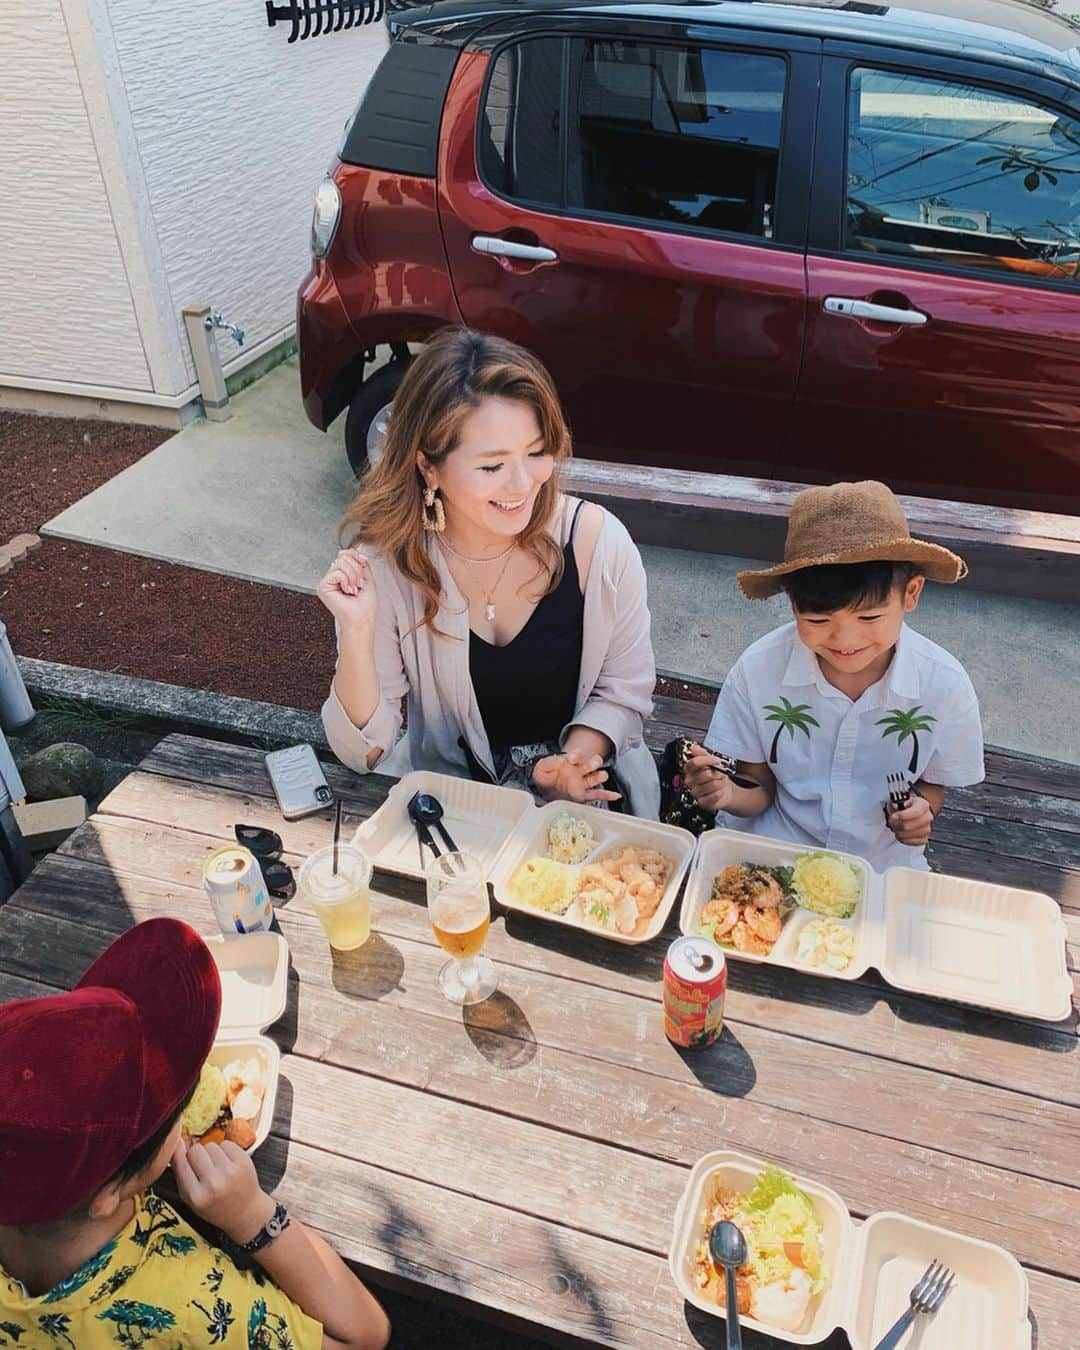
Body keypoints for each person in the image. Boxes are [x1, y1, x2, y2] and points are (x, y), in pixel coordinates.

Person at [0, 917, 390, 1350]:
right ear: (105, 1195)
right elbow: (364, 1336)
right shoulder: (191, 1310)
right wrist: (252, 1216)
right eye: (174, 1107)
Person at [318, 328, 659, 817]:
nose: (524, 484)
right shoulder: (390, 567)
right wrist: (356, 632)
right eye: (492, 466)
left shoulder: (599, 546)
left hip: (591, 807)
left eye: (537, 453)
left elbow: (624, 690)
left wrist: (571, 765)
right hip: (459, 814)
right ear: (429, 468)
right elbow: (364, 752)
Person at [684, 480, 984, 870]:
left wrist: (920, 812)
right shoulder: (758, 671)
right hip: (775, 851)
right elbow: (758, 787)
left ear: (911, 593)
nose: (846, 640)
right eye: (818, 619)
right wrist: (725, 793)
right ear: (792, 606)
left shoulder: (944, 685)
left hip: (881, 864)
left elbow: (931, 786)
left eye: (869, 617)